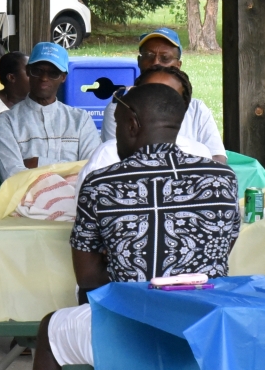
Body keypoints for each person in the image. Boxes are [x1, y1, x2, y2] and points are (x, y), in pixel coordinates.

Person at [32, 83, 241, 370]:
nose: (114, 134)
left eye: (117, 124)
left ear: (132, 125)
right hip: (204, 327)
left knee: (49, 329)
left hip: (131, 327)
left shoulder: (100, 184)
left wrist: (135, 274)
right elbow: (221, 249)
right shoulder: (222, 179)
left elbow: (88, 276)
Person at [76, 66, 215, 191]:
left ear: (183, 107)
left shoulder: (200, 152)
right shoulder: (107, 156)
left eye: (168, 97)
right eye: (150, 93)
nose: (157, 102)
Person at [99, 28, 227, 163]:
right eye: (148, 55)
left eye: (165, 58)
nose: (155, 62)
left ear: (178, 65)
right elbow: (114, 160)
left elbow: (218, 158)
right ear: (139, 61)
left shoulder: (197, 109)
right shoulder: (120, 108)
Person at [0, 42, 100, 180]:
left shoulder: (81, 120)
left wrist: (37, 163)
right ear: (27, 71)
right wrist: (73, 169)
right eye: (37, 71)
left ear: (63, 77)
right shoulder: (5, 123)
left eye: (53, 73)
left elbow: (93, 171)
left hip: (75, 200)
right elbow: (13, 178)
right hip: (26, 201)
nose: (44, 78)